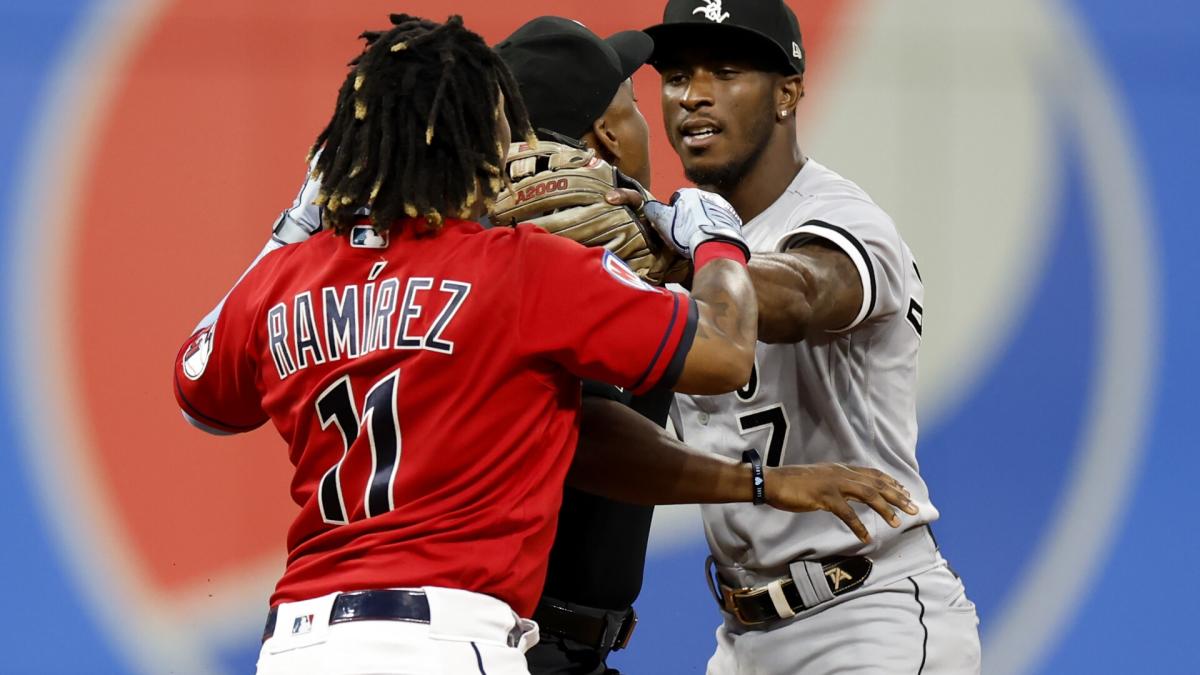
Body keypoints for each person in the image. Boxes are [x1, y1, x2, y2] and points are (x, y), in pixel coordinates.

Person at [172, 13, 915, 675]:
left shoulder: (293, 280)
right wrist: (715, 240)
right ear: (479, 137)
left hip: (298, 642)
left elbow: (199, 389)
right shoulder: (521, 269)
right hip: (449, 636)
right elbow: (725, 353)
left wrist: (296, 224)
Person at [626, 0, 984, 672]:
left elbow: (802, 294)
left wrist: (693, 257)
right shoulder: (679, 249)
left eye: (726, 70)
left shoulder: (840, 216)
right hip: (743, 636)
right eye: (676, 77)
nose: (693, 95)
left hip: (869, 614)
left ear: (789, 92)